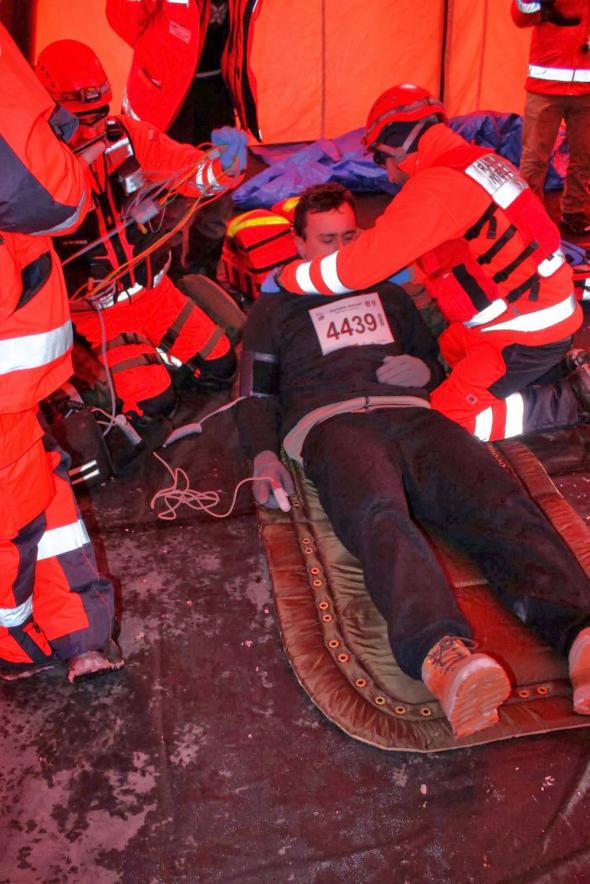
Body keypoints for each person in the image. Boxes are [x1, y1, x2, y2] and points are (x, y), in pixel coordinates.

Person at [238, 182, 590, 738]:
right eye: (327, 240)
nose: (341, 251)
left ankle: (581, 635)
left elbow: (432, 354)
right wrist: (263, 453)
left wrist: (426, 371)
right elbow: (255, 392)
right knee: (377, 514)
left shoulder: (390, 293)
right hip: (334, 423)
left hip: (415, 416)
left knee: (496, 499)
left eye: (350, 238)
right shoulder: (275, 307)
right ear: (300, 244)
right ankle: (442, 656)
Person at [273, 84, 587, 443]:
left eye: (380, 160)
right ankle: (559, 369)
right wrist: (381, 249)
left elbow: (351, 272)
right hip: (538, 312)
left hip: (522, 334)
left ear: (395, 147)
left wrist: (287, 277)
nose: (387, 174)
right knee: (448, 353)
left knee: (445, 424)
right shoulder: (481, 162)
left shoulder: (436, 187)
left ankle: (569, 401)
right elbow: (460, 242)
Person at [35, 39, 248, 425]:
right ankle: (121, 377)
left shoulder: (125, 137)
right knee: (154, 405)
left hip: (154, 293)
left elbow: (187, 171)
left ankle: (154, 359)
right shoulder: (35, 168)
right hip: (96, 314)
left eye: (100, 113)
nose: (95, 127)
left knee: (222, 366)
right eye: (82, 119)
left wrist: (224, 167)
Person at [0, 23, 122, 682]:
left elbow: (169, 162)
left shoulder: (121, 136)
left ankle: (75, 634)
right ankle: (30, 640)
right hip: (27, 372)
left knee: (42, 490)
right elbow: (48, 197)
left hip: (24, 383)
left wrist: (212, 169)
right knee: (23, 514)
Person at [106, 0, 261, 276]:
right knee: (167, 192)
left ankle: (204, 273)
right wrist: (161, 57)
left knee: (219, 190)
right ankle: (168, 273)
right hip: (165, 97)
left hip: (219, 91)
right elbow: (122, 18)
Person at [511, 0, 590, 236]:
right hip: (545, 88)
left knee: (585, 157)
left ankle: (576, 214)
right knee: (535, 158)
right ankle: (528, 218)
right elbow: (521, 17)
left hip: (586, 89)